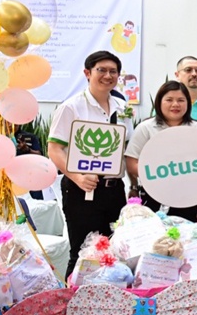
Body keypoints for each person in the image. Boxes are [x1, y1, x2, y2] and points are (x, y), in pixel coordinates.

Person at [47, 51, 133, 275]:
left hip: (115, 190)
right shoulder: (71, 107)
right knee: (82, 252)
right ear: (87, 73)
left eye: (113, 71)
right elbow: (54, 149)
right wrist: (77, 177)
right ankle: (72, 302)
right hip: (81, 189)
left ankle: (107, 301)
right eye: (101, 70)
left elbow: (127, 149)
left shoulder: (123, 109)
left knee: (114, 250)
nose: (108, 75)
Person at [125, 81, 197, 221]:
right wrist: (162, 175)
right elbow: (132, 162)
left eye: (181, 100)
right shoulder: (146, 128)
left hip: (189, 196)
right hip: (153, 195)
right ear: (159, 102)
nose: (175, 104)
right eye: (169, 100)